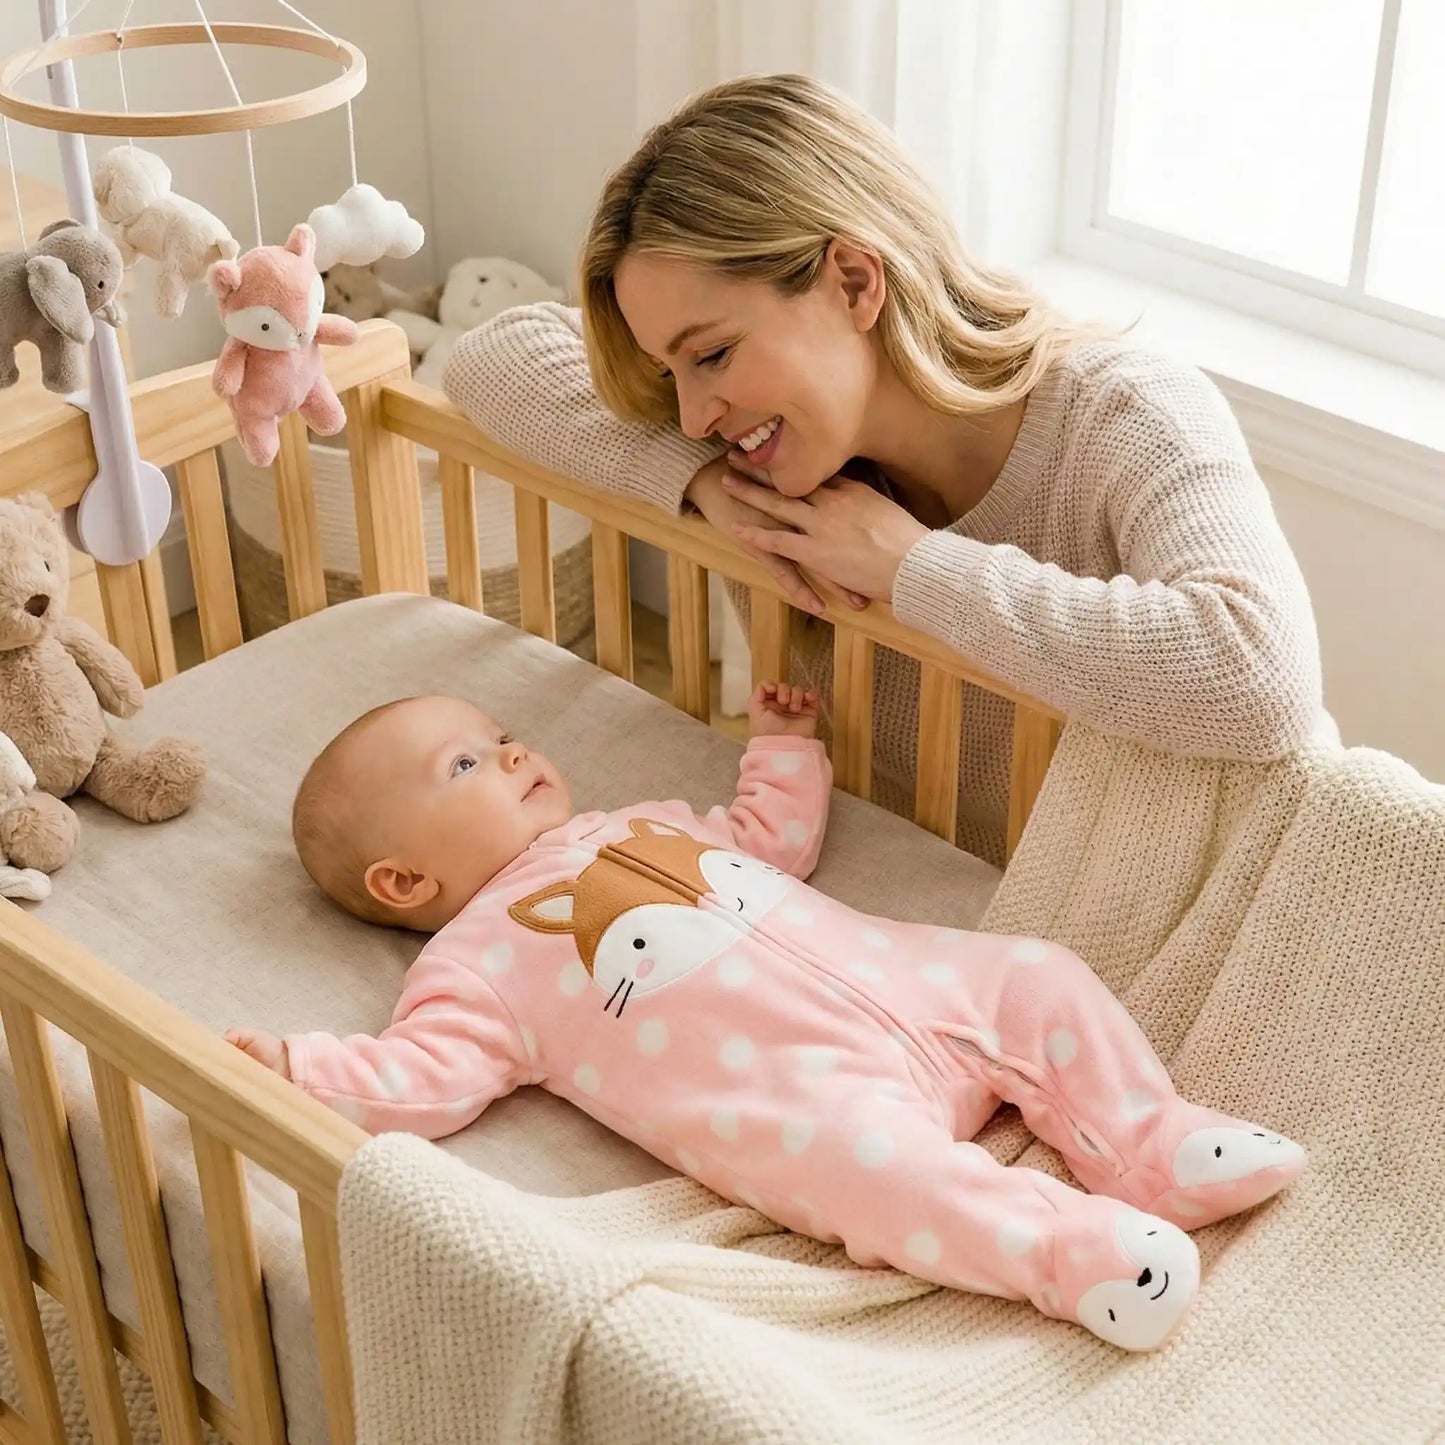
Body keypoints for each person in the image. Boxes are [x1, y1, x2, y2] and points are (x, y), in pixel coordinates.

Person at [226, 689, 1307, 1352]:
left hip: (906, 975)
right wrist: (290, 1066)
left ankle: (1150, 1142)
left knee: (1037, 973)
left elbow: (765, 839)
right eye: (462, 763)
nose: (509, 752)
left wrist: (782, 744)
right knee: (887, 1182)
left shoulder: (635, 819)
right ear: (406, 878)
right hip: (807, 1100)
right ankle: (1073, 1252)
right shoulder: (477, 961)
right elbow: (420, 1075)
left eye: (498, 733)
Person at [441, 73, 1325, 866]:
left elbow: (1259, 677)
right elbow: (492, 357)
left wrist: (911, 570)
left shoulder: (1125, 413)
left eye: (710, 355)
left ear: (855, 282)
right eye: (670, 372)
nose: (692, 416)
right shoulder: (758, 459)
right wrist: (707, 485)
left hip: (1228, 901)